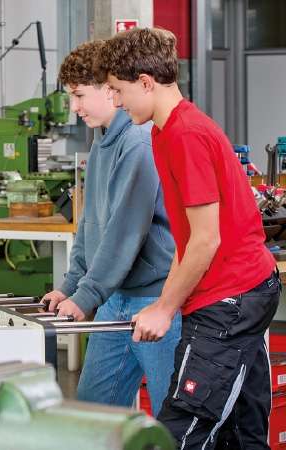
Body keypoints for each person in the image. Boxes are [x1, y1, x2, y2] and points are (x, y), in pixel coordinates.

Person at [97, 27, 280, 449]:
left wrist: (163, 309)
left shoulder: (185, 135)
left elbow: (206, 240)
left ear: (146, 82)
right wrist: (168, 300)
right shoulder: (165, 131)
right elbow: (188, 239)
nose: (117, 102)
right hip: (246, 286)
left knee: (183, 427)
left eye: (118, 90)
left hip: (232, 296)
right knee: (240, 427)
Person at [41, 39, 179, 417]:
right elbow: (90, 224)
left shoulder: (137, 142)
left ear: (109, 87)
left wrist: (85, 297)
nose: (74, 107)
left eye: (79, 94)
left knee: (175, 420)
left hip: (155, 301)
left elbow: (124, 234)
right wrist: (71, 286)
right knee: (93, 413)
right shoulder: (101, 144)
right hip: (116, 298)